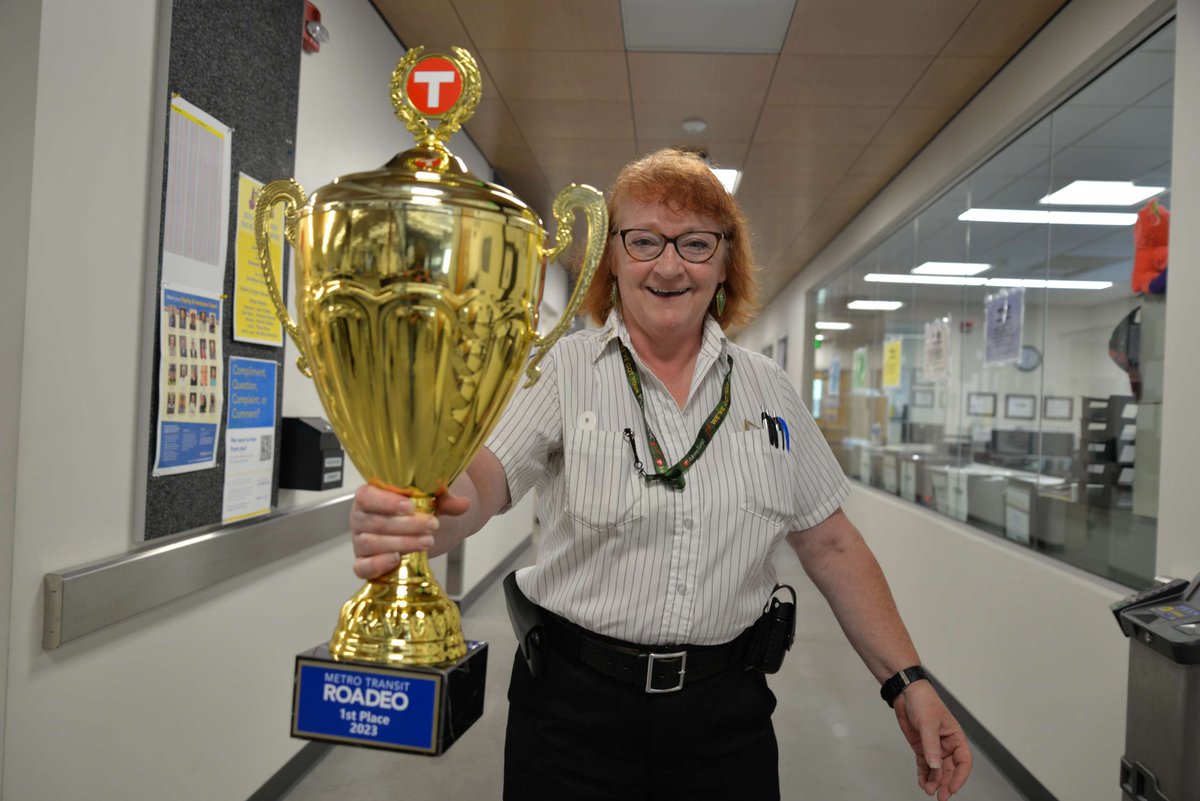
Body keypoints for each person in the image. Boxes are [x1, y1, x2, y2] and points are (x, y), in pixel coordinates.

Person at [349, 149, 971, 801]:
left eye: (696, 244)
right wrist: (421, 518)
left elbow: (834, 545)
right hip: (570, 716)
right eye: (644, 241)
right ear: (611, 258)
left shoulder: (771, 393)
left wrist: (908, 681)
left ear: (727, 262)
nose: (669, 265)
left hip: (724, 722)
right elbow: (480, 484)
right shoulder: (561, 372)